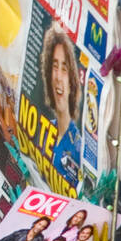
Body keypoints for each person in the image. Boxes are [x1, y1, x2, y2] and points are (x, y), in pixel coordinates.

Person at [40, 25, 82, 185]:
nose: (58, 76)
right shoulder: (45, 130)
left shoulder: (77, 147)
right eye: (54, 67)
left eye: (64, 69)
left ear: (72, 80)